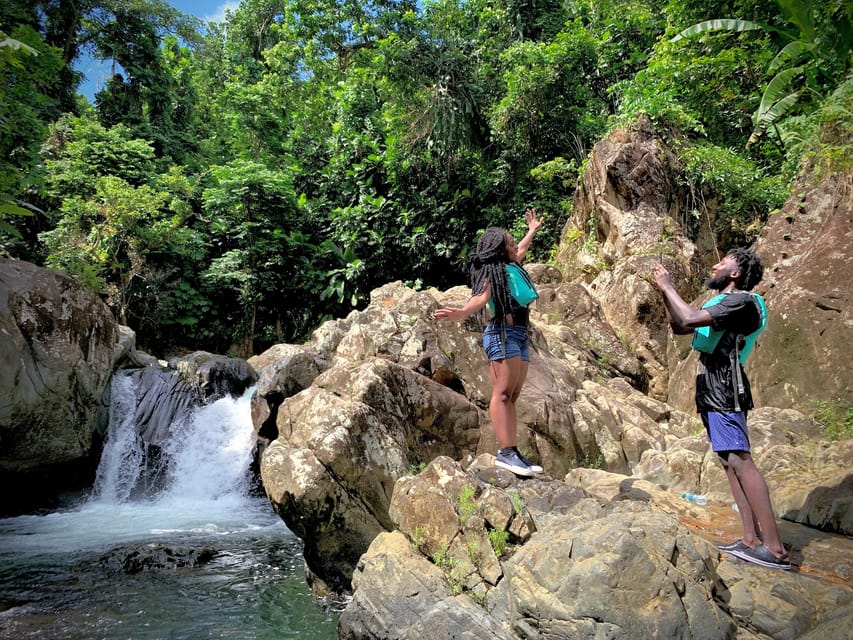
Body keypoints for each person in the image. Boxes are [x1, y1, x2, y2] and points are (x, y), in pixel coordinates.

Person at [652, 249, 790, 570]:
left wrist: (669, 285)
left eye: (723, 262)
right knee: (728, 460)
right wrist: (663, 294)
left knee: (741, 459)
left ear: (735, 273)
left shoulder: (741, 302)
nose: (715, 265)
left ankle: (775, 547)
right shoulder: (723, 304)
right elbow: (680, 327)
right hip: (711, 381)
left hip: (726, 382)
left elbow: (688, 317)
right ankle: (750, 539)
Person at [433, 208, 544, 477]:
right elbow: (480, 299)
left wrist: (532, 230)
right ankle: (506, 453)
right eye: (508, 242)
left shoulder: (511, 266)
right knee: (502, 393)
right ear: (498, 248)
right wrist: (460, 313)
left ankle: (513, 451)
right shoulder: (491, 273)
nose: (513, 245)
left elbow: (521, 249)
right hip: (501, 334)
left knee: (513, 395)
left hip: (519, 335)